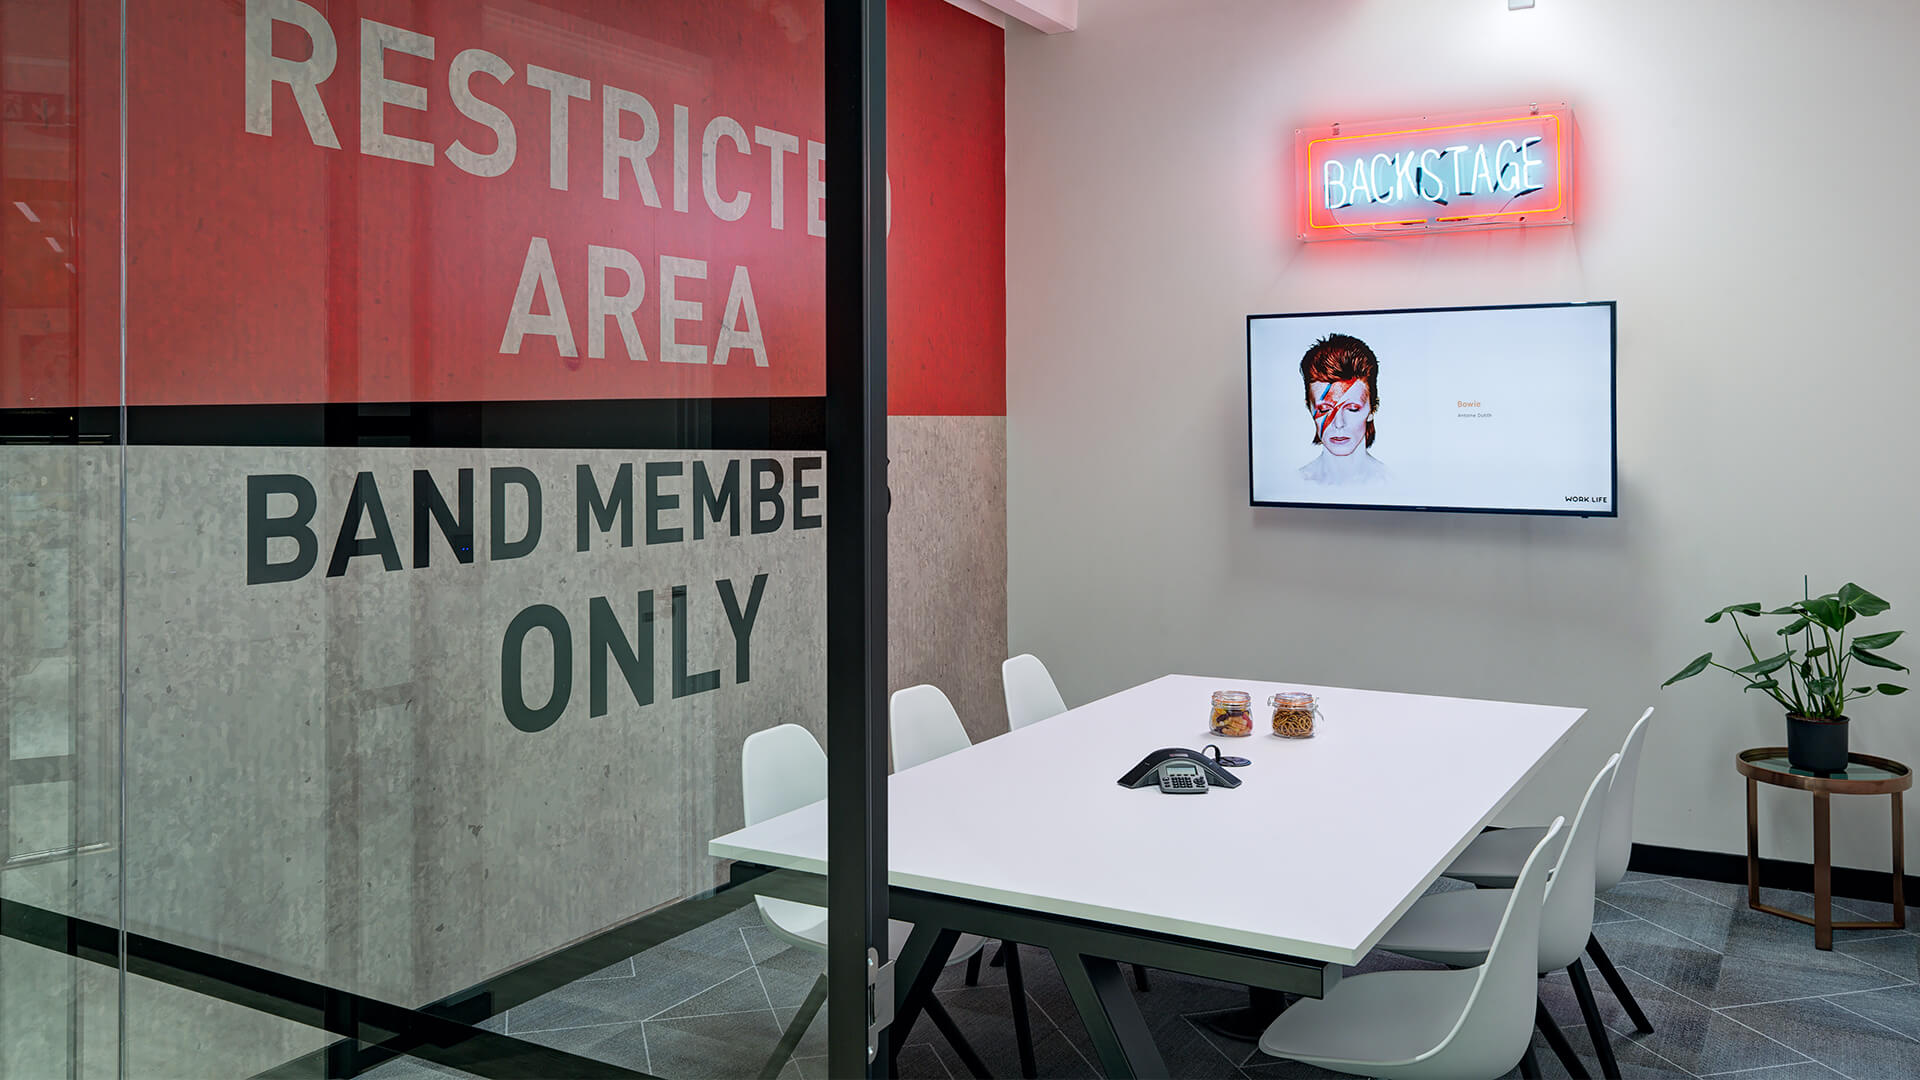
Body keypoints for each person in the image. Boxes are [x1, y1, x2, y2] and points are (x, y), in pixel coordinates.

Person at [1296, 333, 1388, 485]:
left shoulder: (1394, 483)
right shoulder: (1295, 483)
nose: (1338, 423)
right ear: (1309, 408)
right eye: (1324, 409)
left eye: (1352, 408)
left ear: (1372, 409)